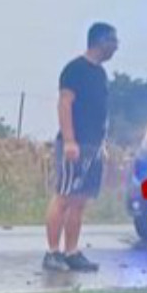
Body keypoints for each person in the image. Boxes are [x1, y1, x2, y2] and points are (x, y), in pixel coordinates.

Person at [44, 22, 119, 273]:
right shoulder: (74, 70)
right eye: (113, 41)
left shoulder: (100, 74)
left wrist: (102, 145)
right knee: (63, 197)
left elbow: (100, 112)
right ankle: (52, 252)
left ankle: (72, 251)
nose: (116, 47)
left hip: (93, 145)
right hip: (74, 144)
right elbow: (64, 104)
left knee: (80, 201)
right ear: (100, 41)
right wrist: (69, 141)